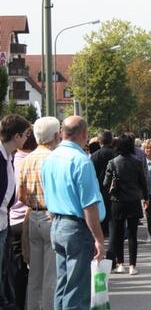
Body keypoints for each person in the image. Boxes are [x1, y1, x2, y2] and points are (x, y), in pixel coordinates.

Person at [40, 116, 106, 309]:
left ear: (62, 133)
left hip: (57, 224)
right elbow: (89, 206)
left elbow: (48, 192)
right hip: (77, 227)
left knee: (63, 285)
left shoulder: (50, 158)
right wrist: (99, 239)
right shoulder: (81, 161)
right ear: (84, 134)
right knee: (77, 291)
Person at [17, 116, 60, 310]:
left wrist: (33, 204)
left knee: (34, 272)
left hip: (32, 216)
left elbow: (20, 195)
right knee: (51, 274)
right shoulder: (54, 159)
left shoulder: (27, 159)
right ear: (56, 136)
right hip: (51, 216)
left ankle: (32, 307)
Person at [104, 133, 149, 275]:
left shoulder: (113, 162)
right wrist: (146, 198)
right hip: (133, 200)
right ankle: (132, 266)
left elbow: (106, 183)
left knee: (118, 233)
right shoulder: (137, 162)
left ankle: (120, 264)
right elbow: (143, 182)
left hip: (117, 201)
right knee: (132, 234)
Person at [0, 115, 30, 308]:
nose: (28, 138)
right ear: (17, 136)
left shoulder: (9, 156)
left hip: (5, 221)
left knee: (5, 271)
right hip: (2, 221)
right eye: (26, 134)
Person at [91, 130, 117, 236]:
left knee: (102, 211)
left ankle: (103, 230)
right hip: (115, 189)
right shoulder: (116, 154)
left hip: (99, 189)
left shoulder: (94, 156)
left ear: (99, 141)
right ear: (111, 140)